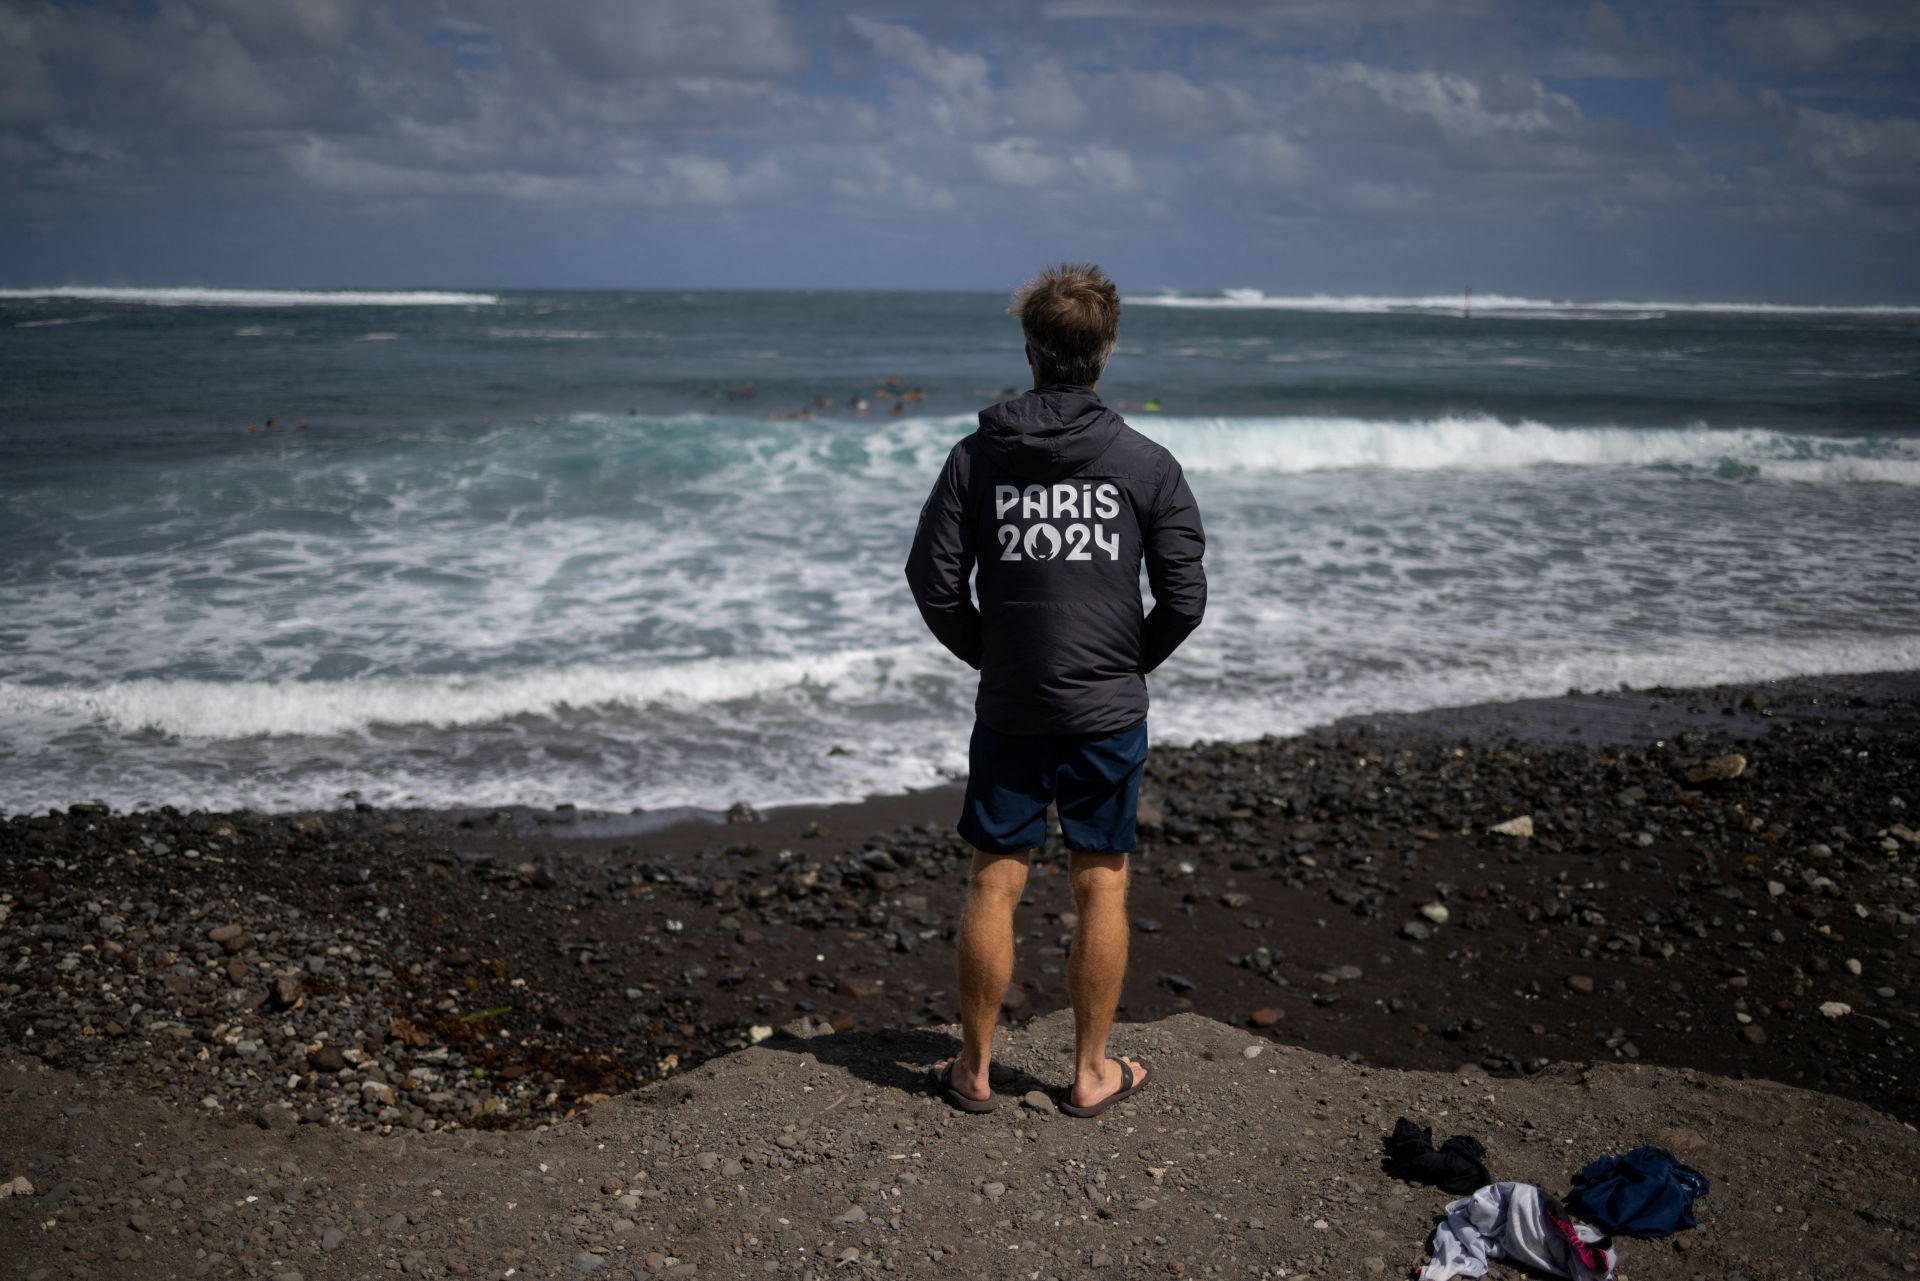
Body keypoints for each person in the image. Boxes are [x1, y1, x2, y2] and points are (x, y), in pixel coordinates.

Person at [904, 262, 1207, 1117]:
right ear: (1105, 354)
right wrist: (1125, 661)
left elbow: (932, 583)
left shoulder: (977, 458)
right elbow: (1184, 598)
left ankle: (974, 1069)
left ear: (1030, 350)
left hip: (1014, 704)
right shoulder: (1147, 463)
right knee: (1100, 880)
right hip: (1105, 708)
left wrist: (995, 656)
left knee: (995, 878)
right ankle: (1088, 1072)